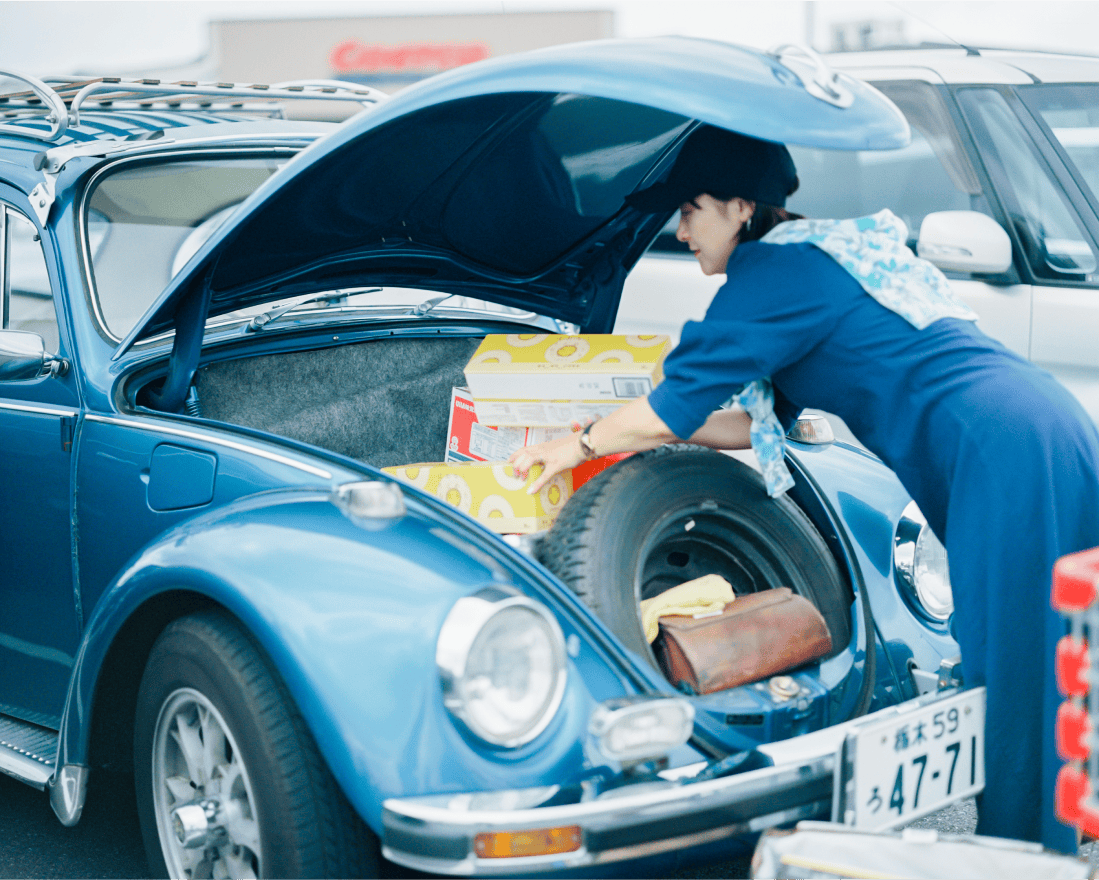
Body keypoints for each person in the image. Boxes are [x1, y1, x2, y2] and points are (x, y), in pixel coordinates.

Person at [509, 124, 1099, 853]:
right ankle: (1051, 841)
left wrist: (579, 442)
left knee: (1010, 657)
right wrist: (641, 427)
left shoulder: (771, 275)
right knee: (1056, 648)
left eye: (691, 209)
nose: (681, 229)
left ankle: (1027, 855)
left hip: (1001, 446)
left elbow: (673, 405)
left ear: (738, 207)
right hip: (1032, 428)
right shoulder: (814, 260)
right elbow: (737, 425)